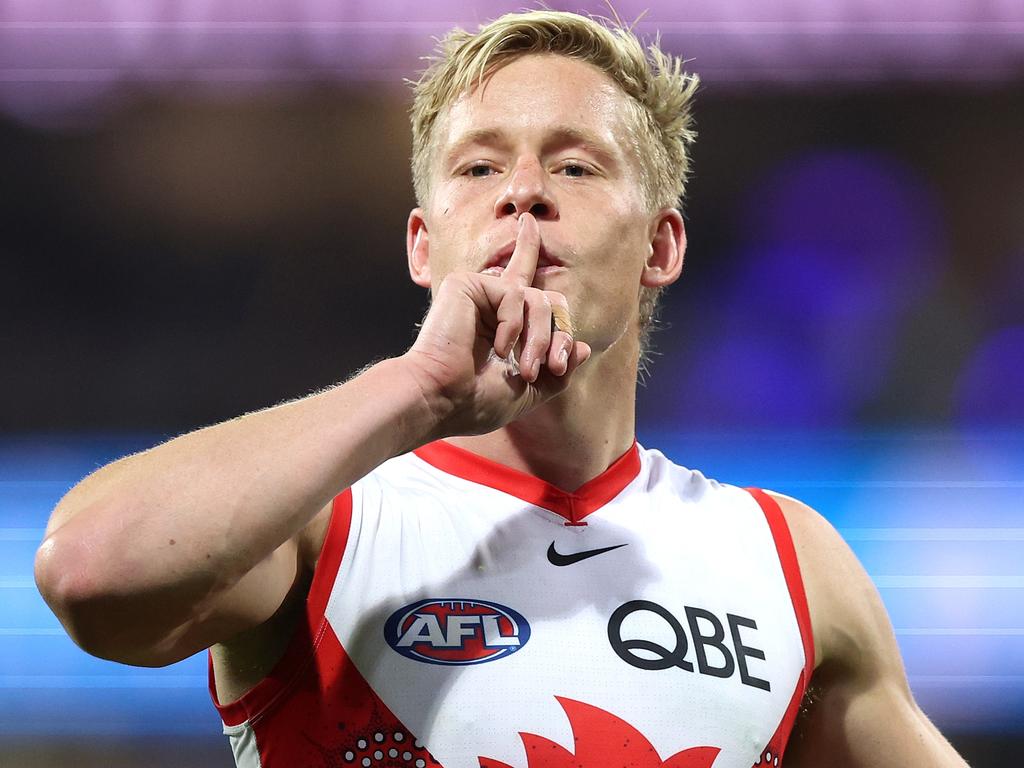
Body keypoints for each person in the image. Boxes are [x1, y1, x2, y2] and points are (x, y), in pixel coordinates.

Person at [35, 10, 968, 768]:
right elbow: (89, 575)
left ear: (660, 246)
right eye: (480, 168)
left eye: (574, 165)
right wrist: (416, 389)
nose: (522, 193)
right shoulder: (329, 519)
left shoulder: (789, 563)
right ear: (422, 243)